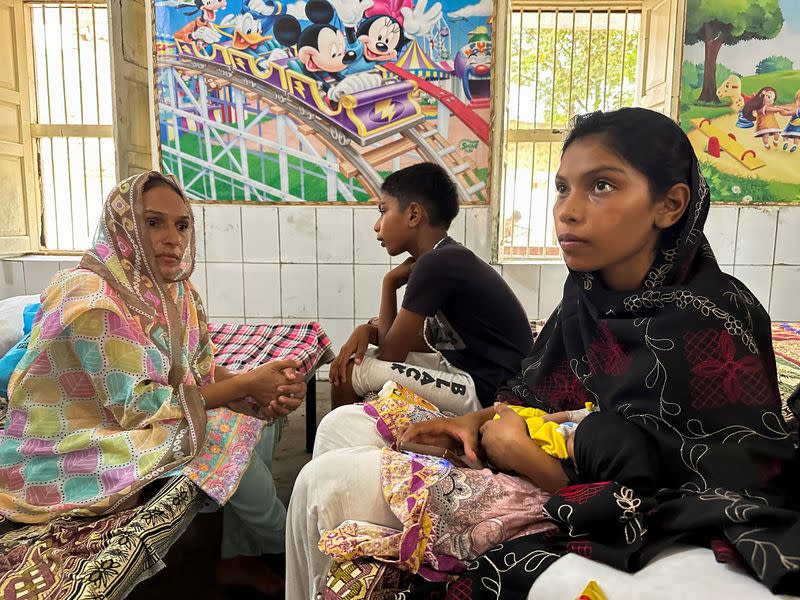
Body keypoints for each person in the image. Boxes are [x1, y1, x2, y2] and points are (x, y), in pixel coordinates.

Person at [286, 108, 800, 598]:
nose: (568, 211)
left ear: (670, 204)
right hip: (541, 458)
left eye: (602, 185)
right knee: (344, 433)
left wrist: (525, 458)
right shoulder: (587, 297)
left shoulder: (712, 320)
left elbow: (694, 498)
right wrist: (476, 424)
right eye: (562, 188)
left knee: (325, 481)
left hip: (589, 506)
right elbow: (537, 396)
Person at [0, 172, 305, 596]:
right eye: (153, 222)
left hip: (133, 415)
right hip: (70, 441)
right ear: (122, 225)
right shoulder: (89, 297)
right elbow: (143, 406)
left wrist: (258, 389)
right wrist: (245, 385)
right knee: (217, 435)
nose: (172, 238)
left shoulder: (174, 289)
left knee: (259, 420)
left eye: (181, 225)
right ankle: (291, 549)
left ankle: (237, 556)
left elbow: (195, 372)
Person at [329, 162, 532, 414]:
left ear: (414, 215)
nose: (377, 225)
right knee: (362, 358)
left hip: (489, 389)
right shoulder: (445, 256)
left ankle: (346, 446)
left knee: (350, 371)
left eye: (383, 211)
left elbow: (392, 354)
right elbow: (421, 341)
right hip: (474, 372)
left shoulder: (435, 263)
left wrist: (389, 282)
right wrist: (368, 331)